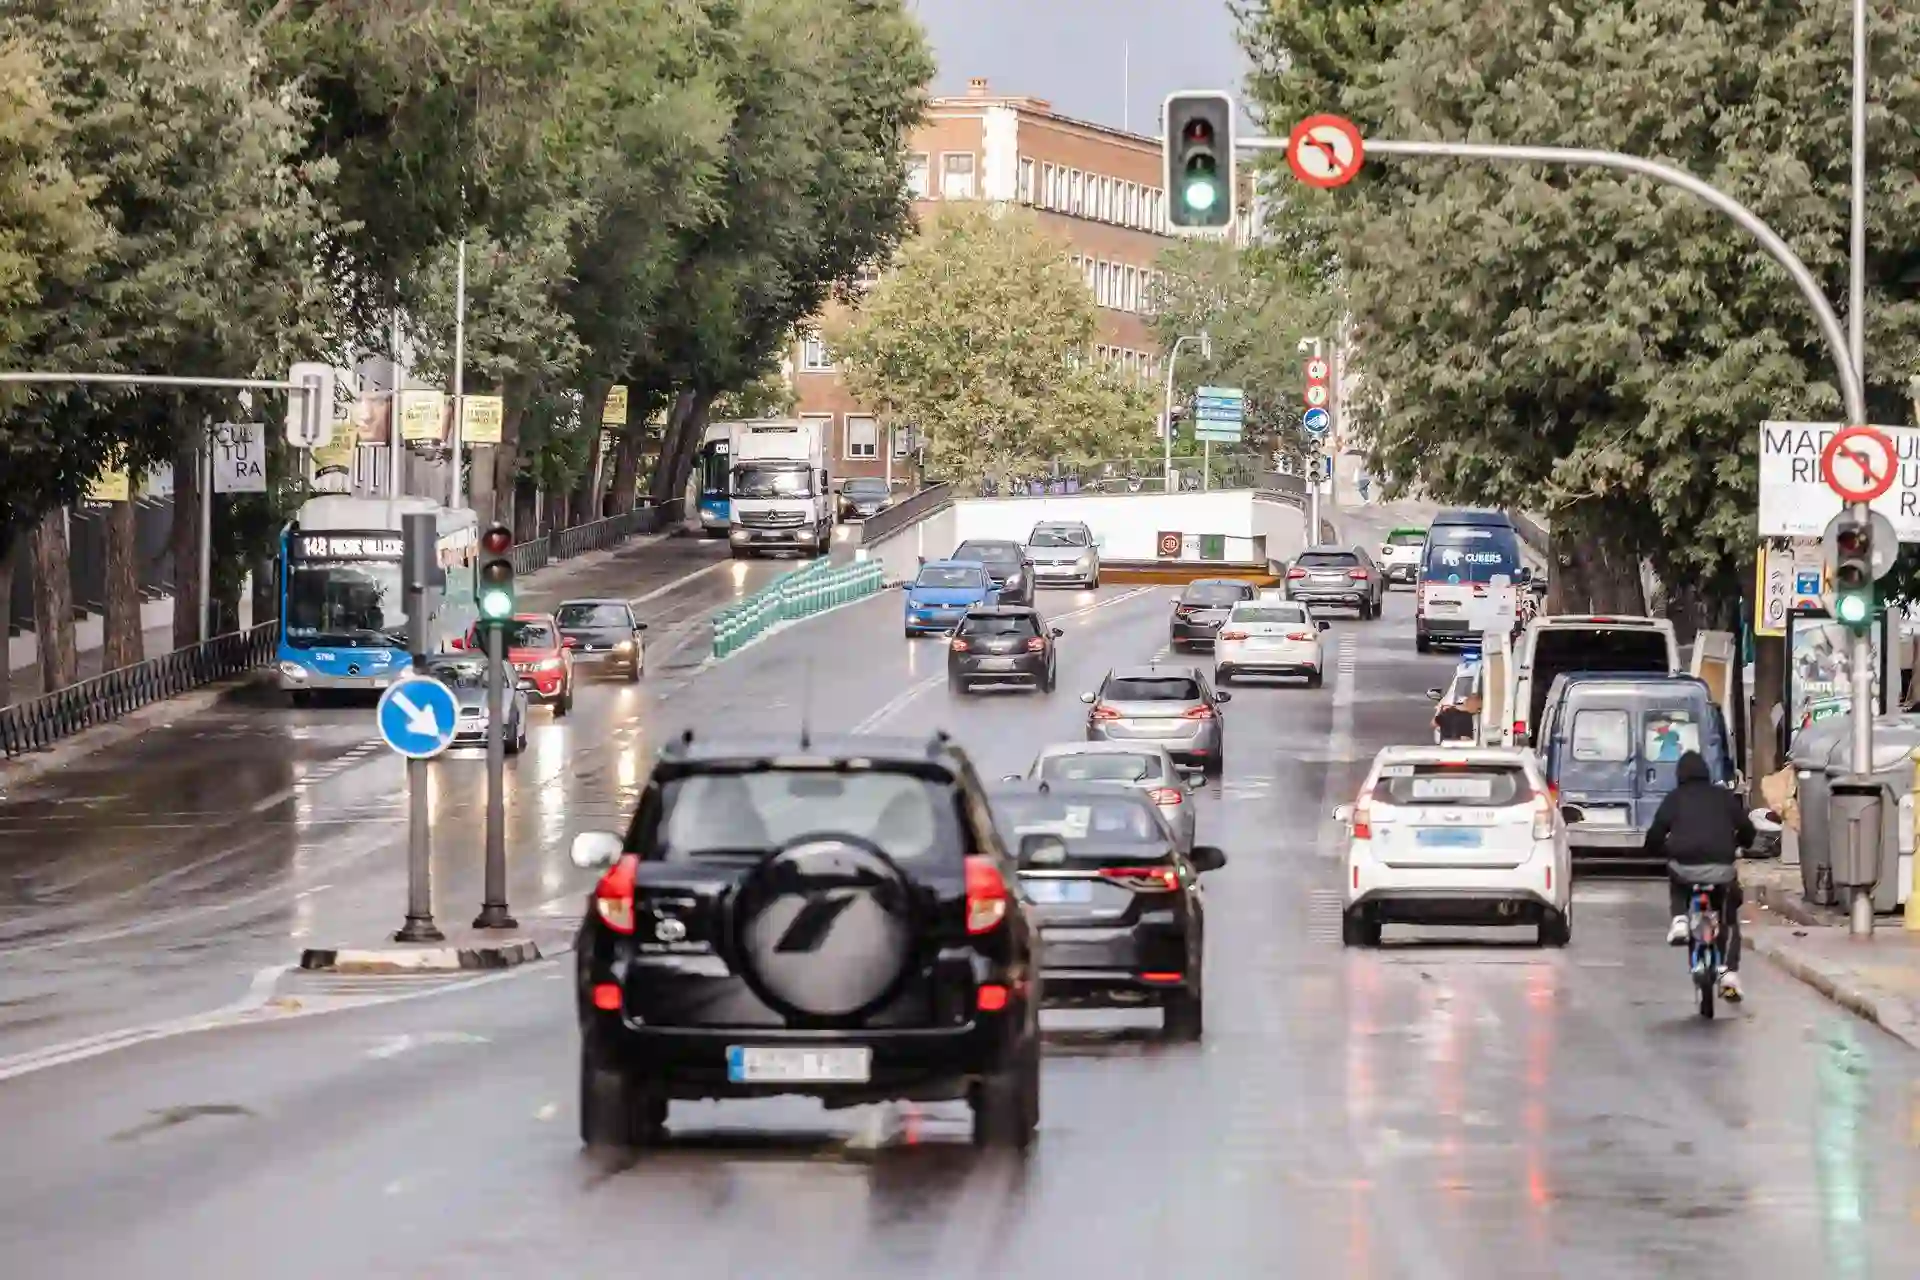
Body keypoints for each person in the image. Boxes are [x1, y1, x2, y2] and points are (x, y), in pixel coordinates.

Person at [1646, 750, 1755, 1001]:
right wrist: (1739, 843)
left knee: (1676, 878)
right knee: (1728, 918)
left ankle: (1680, 919)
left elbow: (1654, 835)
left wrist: (1660, 850)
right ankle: (1728, 972)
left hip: (1684, 867)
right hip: (1721, 868)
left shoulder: (1675, 799)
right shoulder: (1724, 797)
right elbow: (1748, 829)